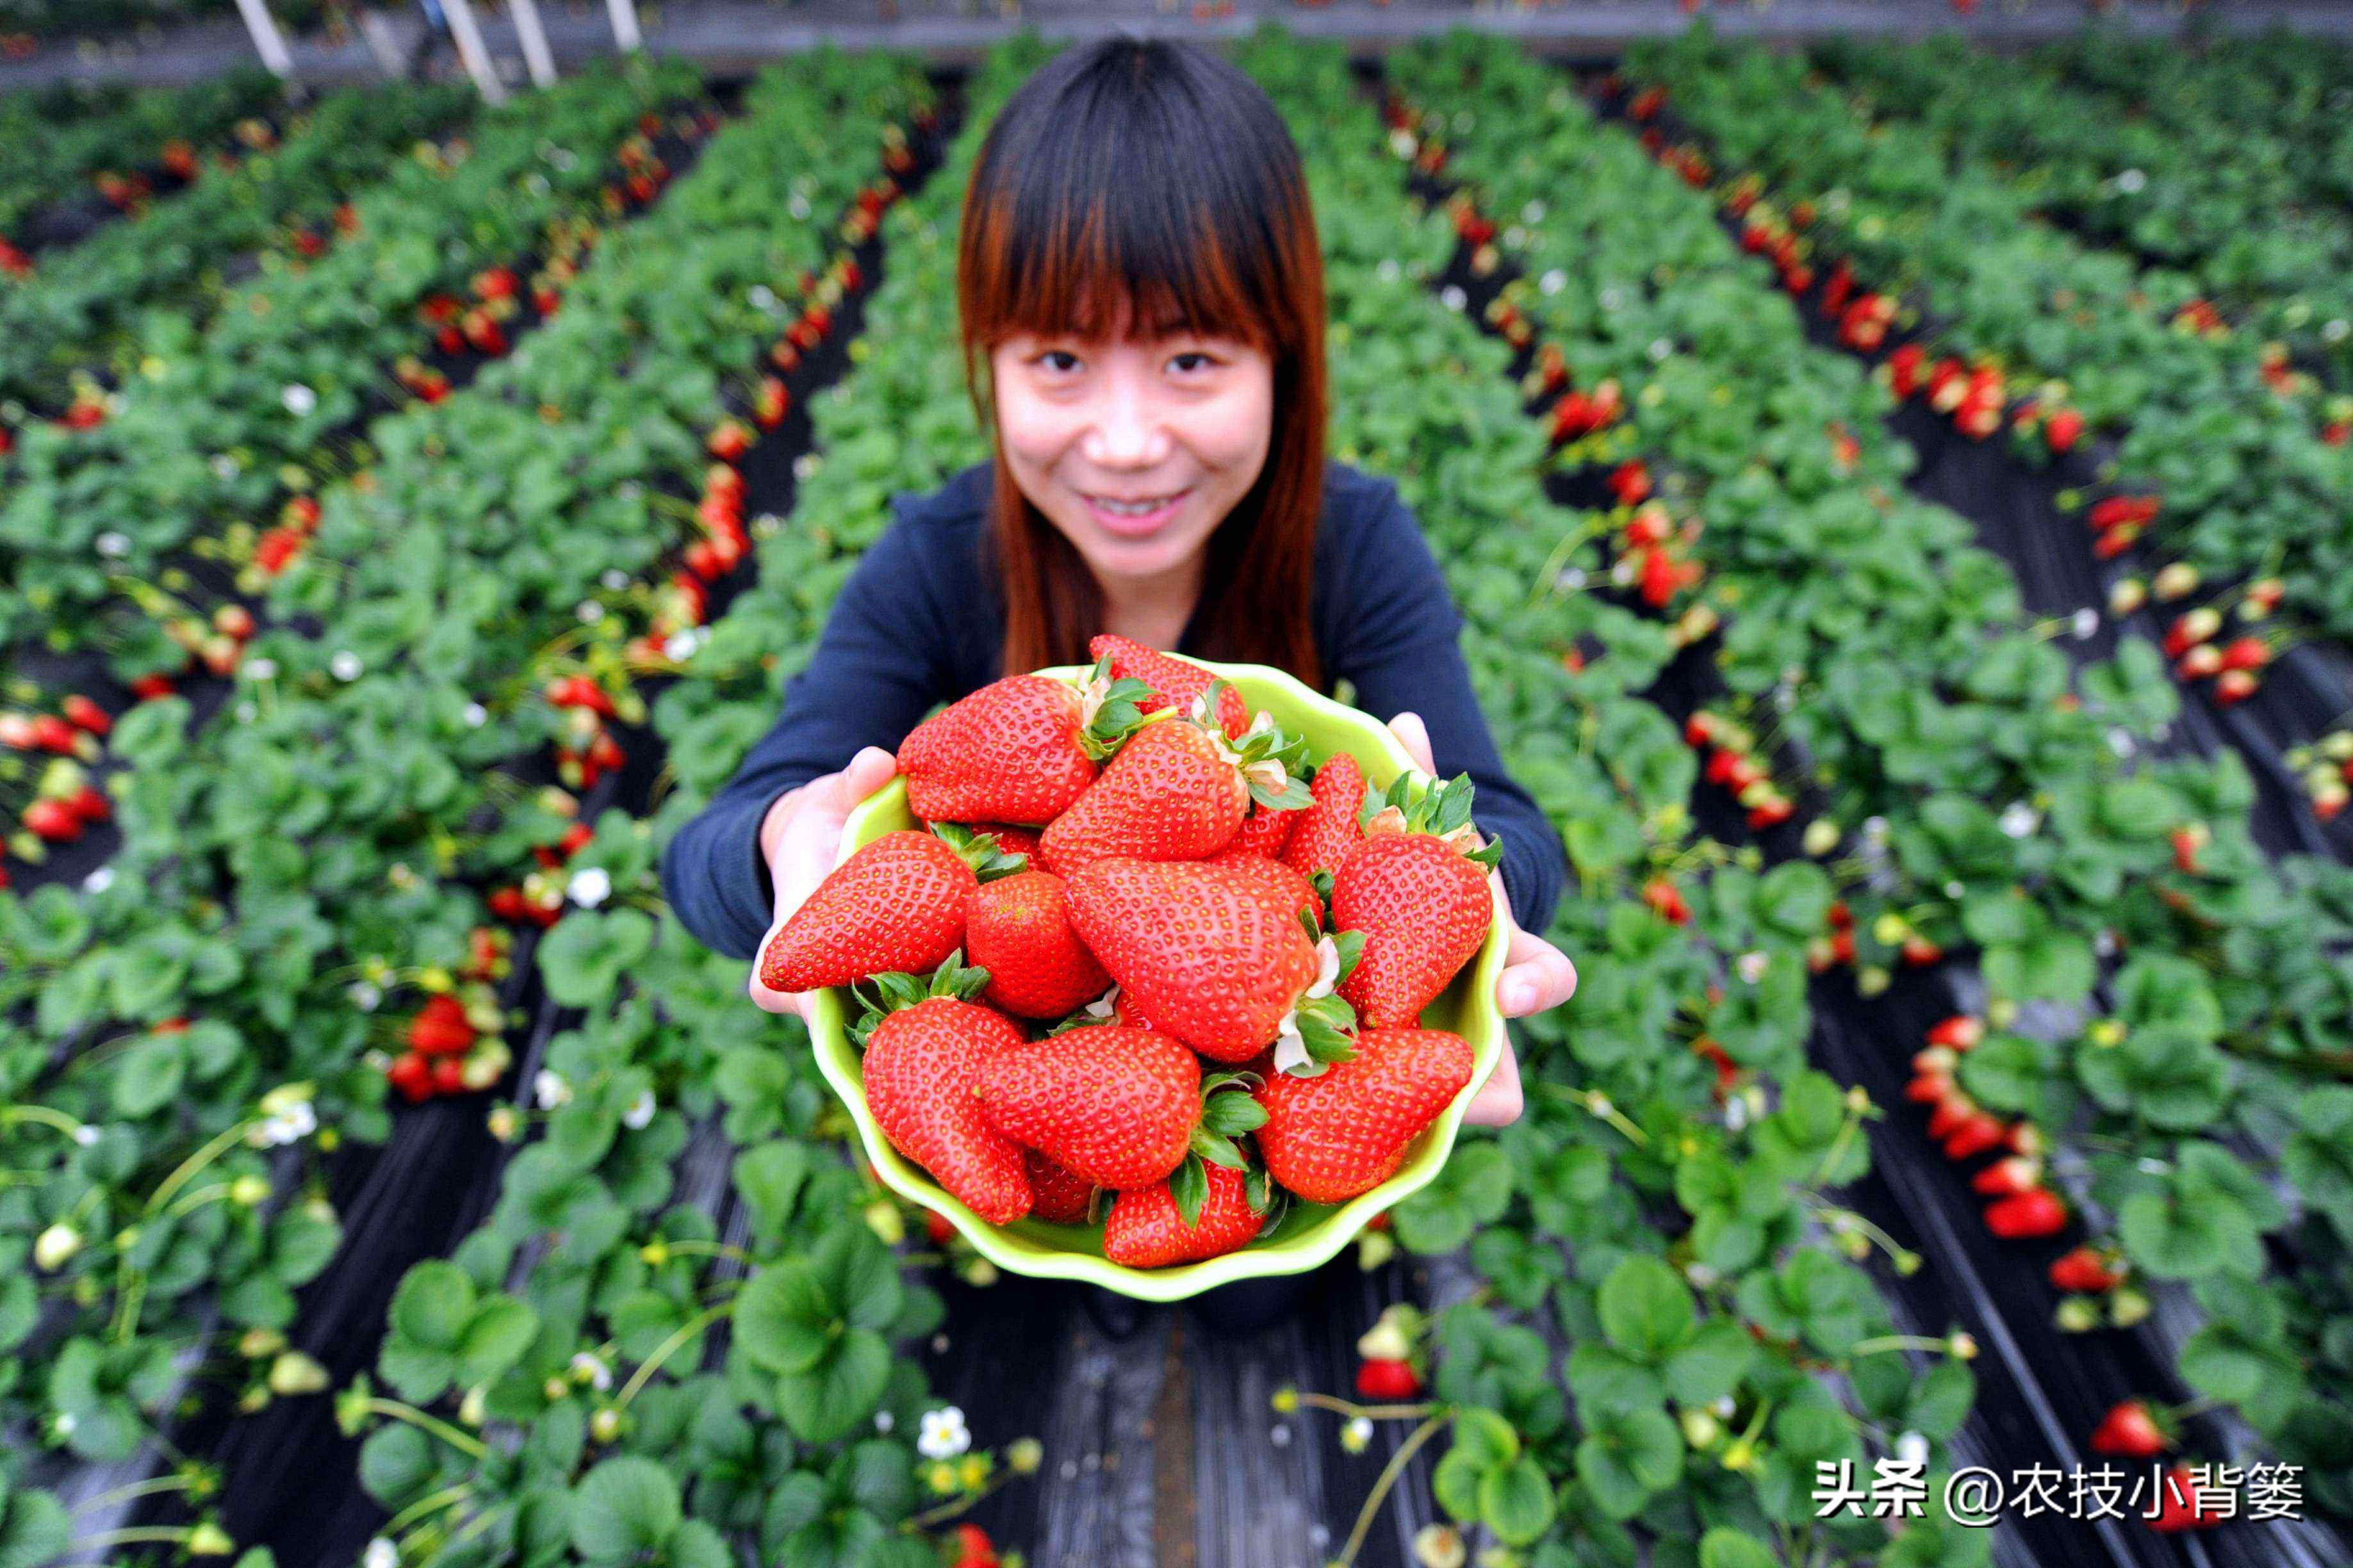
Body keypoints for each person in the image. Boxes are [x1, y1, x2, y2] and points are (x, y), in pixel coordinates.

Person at [663, 38, 1575, 1300]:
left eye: (1192, 359)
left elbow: (1510, 825)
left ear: (1286, 364)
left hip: (1254, 1117)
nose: (1128, 440)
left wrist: (1478, 890)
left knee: (1261, 1260)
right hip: (1050, 1131)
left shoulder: (1355, 543)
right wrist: (784, 842)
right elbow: (706, 853)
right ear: (984, 364)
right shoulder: (935, 559)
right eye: (1058, 361)